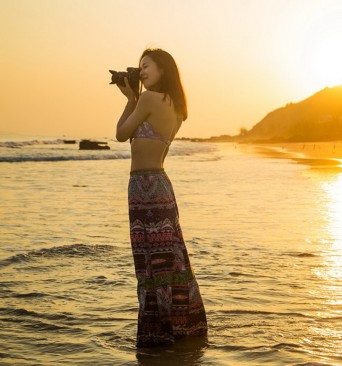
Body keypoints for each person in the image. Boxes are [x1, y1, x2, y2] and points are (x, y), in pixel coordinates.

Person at [115, 48, 208, 347]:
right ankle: (183, 324)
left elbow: (121, 133)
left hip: (142, 186)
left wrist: (130, 98)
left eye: (146, 66)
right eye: (139, 67)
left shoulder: (147, 99)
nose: (141, 71)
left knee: (149, 260)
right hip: (161, 185)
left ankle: (158, 330)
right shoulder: (177, 108)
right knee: (170, 258)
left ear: (163, 70)